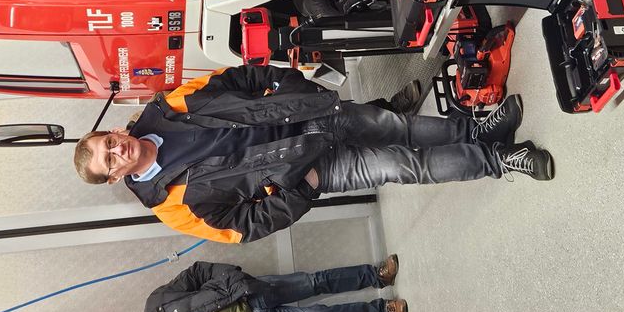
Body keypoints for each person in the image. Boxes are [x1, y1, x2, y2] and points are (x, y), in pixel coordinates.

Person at [72, 64, 549, 244]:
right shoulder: (170, 206)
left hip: (315, 114)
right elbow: (245, 227)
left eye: (107, 143)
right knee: (406, 165)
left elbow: (240, 78)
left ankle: (478, 129)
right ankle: (499, 160)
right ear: (114, 177)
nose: (116, 151)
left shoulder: (165, 108)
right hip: (311, 169)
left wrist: (292, 87)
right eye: (108, 161)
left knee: (399, 125)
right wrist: (303, 190)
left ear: (112, 131)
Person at [139, 256, 407, 312]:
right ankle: (382, 310)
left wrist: (231, 276)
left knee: (315, 282)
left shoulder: (156, 305)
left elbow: (197, 272)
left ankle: (376, 275)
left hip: (250, 293)